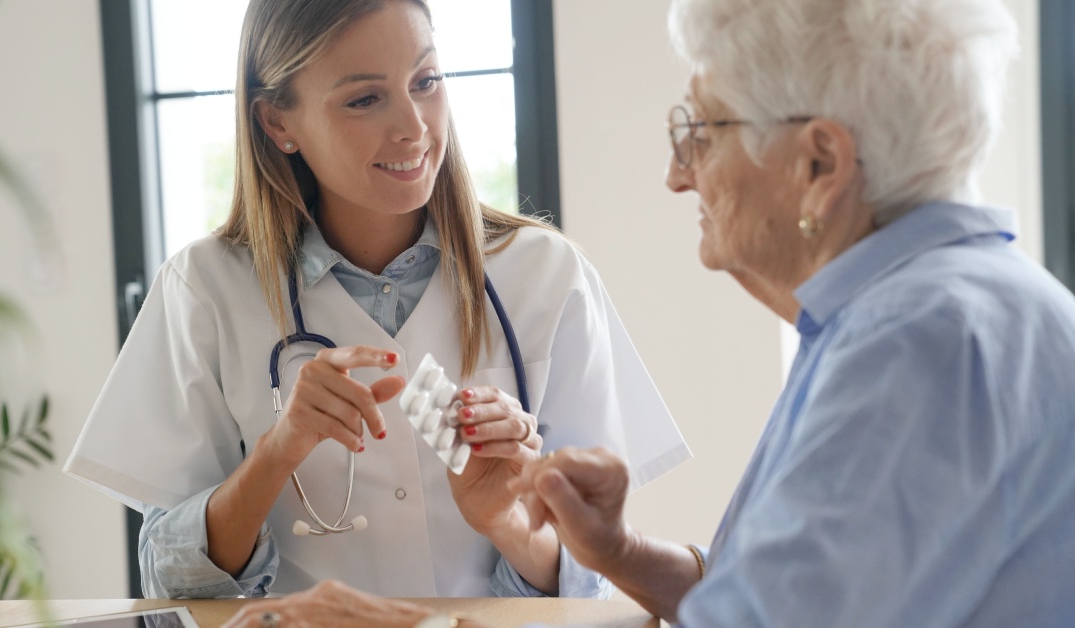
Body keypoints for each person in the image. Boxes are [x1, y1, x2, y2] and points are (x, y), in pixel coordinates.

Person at [217, 0, 1075, 625]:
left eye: (699, 130)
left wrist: (423, 627)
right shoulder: (929, 312)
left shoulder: (921, 346)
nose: (678, 173)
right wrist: (621, 555)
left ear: (819, 165)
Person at [64, 0, 689, 601]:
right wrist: (279, 451)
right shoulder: (204, 289)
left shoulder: (548, 276)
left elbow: (593, 571)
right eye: (365, 98)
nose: (414, 127)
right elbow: (169, 578)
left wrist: (506, 521)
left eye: (426, 80)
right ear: (278, 123)